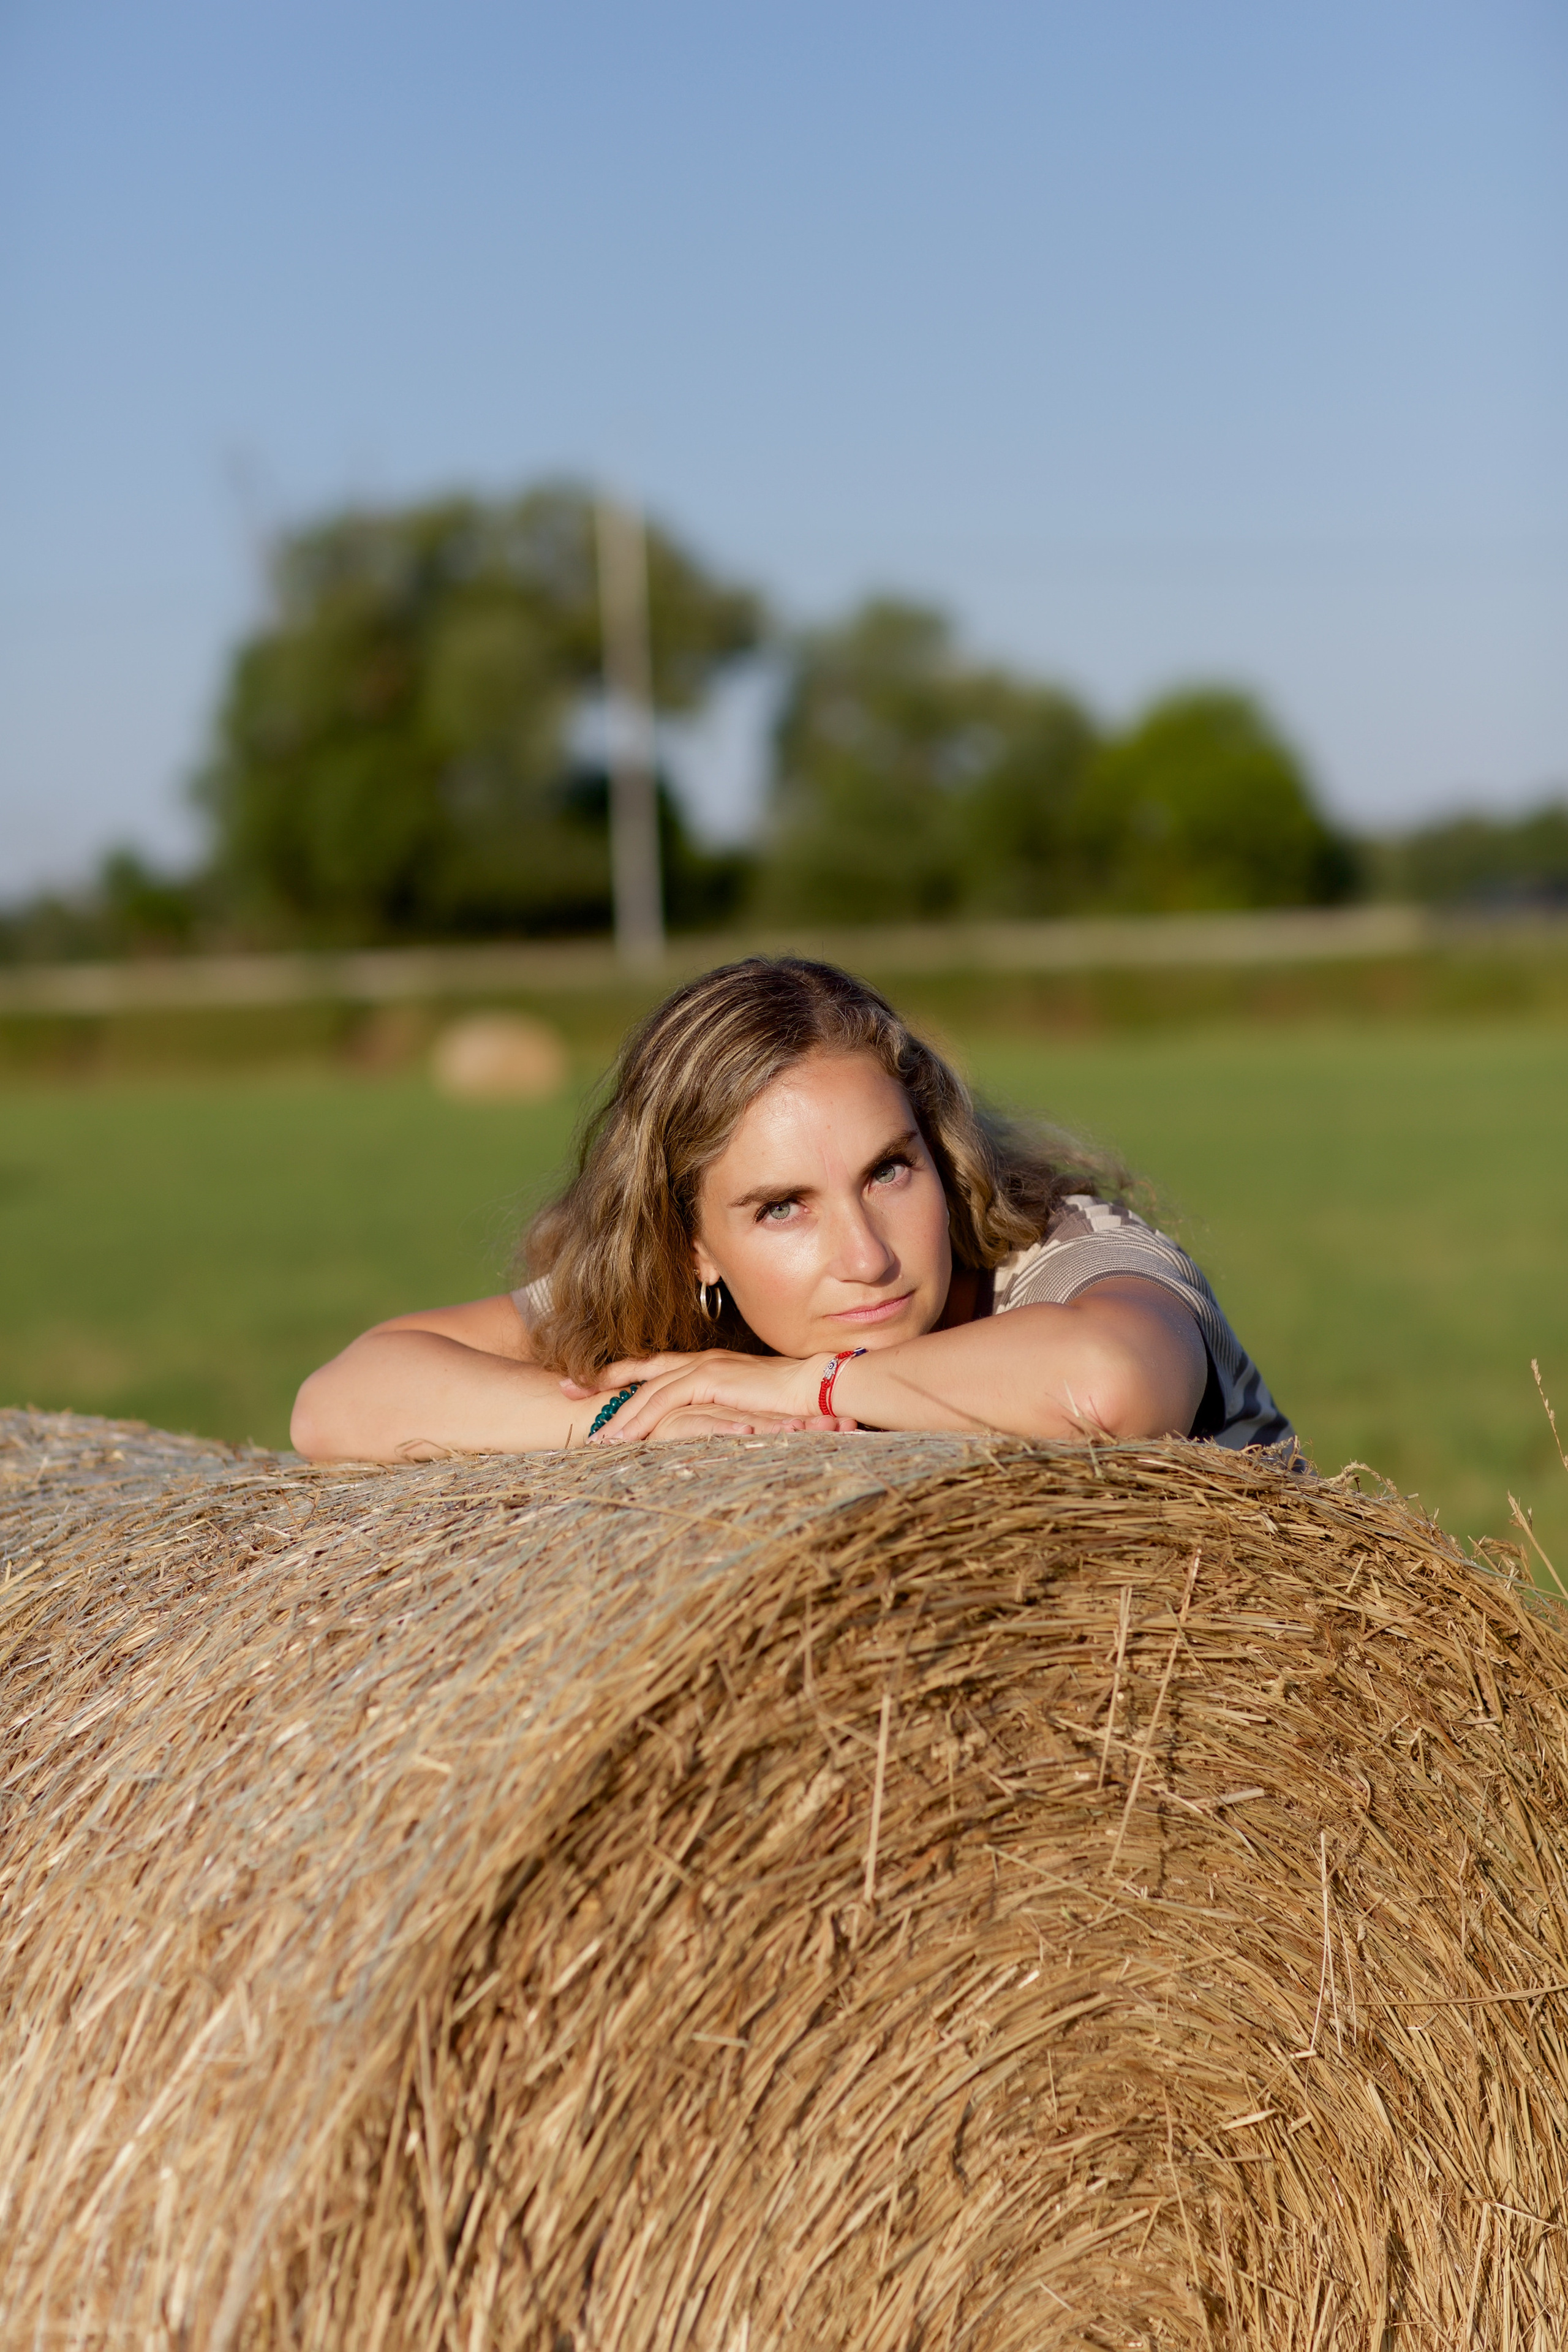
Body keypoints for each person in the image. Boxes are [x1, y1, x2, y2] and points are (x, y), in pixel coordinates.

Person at [291, 956, 1292, 1463]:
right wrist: (627, 1424)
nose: (865, 1257)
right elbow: (340, 1399)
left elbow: (1108, 1388)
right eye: (783, 1209)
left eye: (889, 1172)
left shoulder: (1070, 1256)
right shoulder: (673, 1304)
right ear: (692, 1247)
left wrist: (798, 1388)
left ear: (936, 1149)